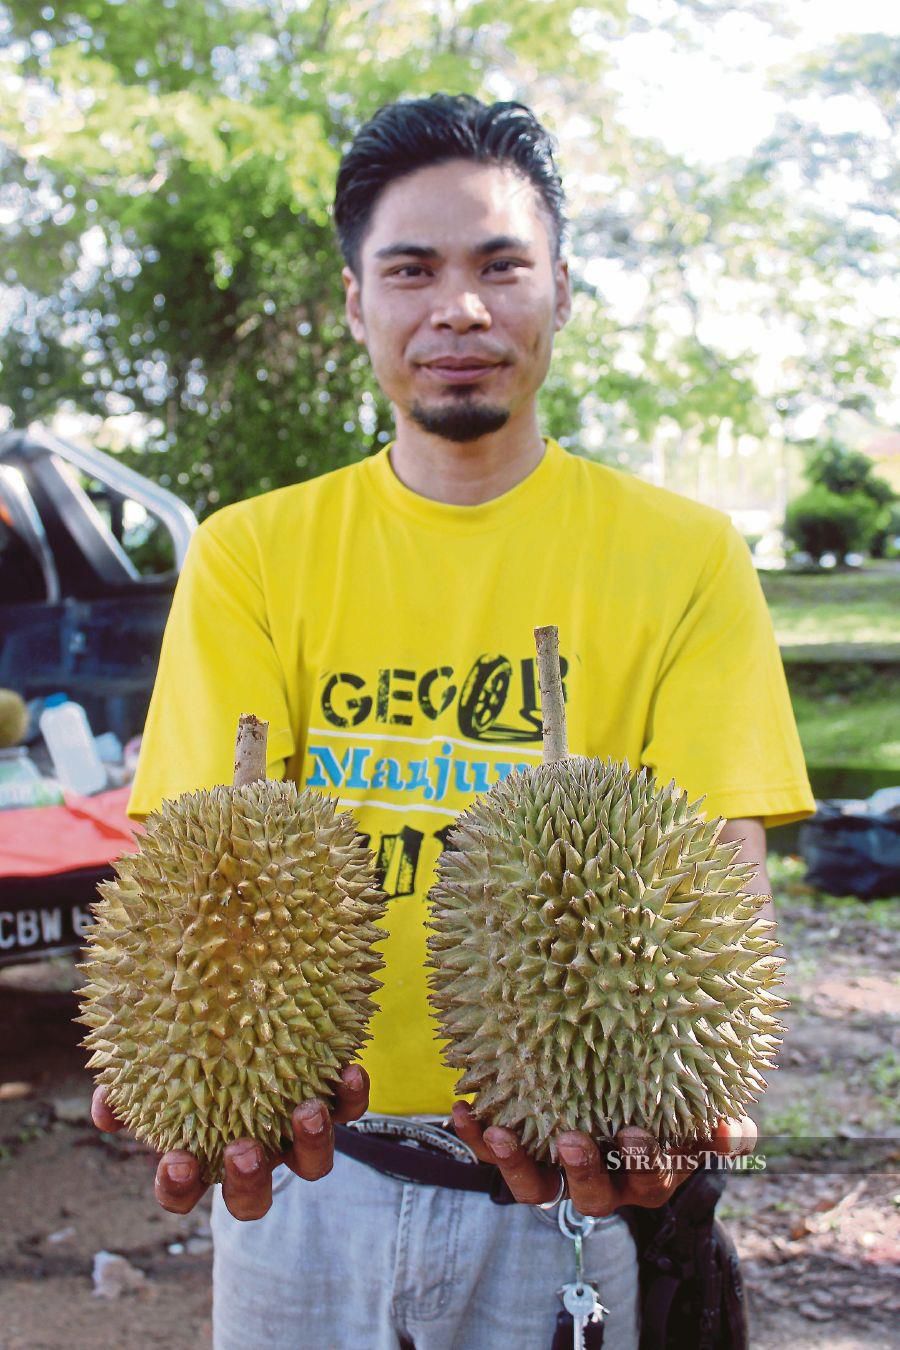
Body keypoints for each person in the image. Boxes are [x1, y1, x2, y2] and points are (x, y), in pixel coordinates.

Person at [91, 93, 815, 1349]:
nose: (459, 309)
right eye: (412, 270)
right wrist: (197, 1091)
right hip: (311, 1178)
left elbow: (719, 856)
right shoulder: (251, 554)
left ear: (563, 292)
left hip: (574, 1170)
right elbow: (198, 877)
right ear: (356, 305)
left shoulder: (686, 555)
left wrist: (694, 1100)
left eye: (500, 267)